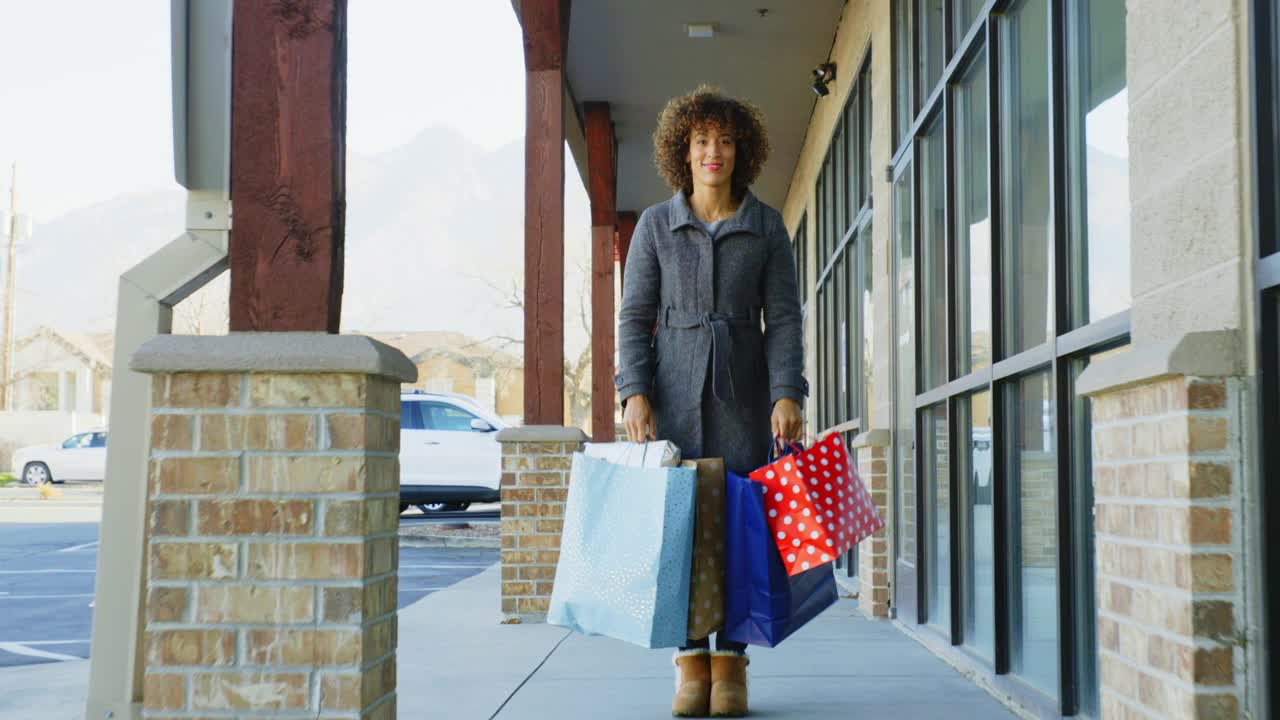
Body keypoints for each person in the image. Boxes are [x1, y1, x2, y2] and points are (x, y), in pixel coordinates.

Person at [615, 85, 806, 718]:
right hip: (671, 400)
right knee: (683, 533)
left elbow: (782, 320)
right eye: (701, 140)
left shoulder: (767, 225)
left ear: (740, 149)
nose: (713, 151)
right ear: (683, 151)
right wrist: (633, 392)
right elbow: (634, 316)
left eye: (724, 140)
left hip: (746, 404)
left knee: (741, 531)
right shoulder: (654, 226)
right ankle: (690, 664)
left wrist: (786, 393)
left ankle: (733, 669)